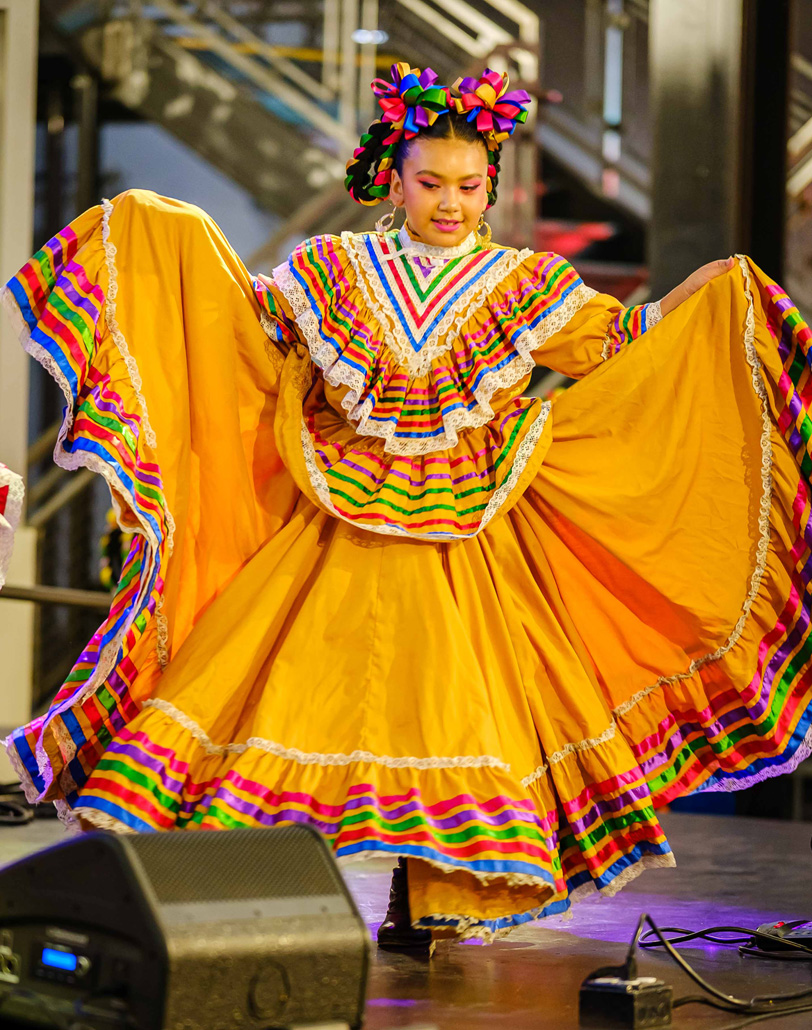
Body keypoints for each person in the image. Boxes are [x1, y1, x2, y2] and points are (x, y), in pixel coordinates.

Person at [2, 63, 812, 948]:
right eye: (431, 183)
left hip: (470, 532)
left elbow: (617, 345)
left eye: (469, 185)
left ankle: (435, 902)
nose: (451, 202)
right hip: (337, 516)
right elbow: (250, 329)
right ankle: (222, 887)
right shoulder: (336, 266)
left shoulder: (521, 283)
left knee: (455, 705)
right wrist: (174, 239)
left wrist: (708, 297)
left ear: (493, 185)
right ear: (396, 178)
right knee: (292, 694)